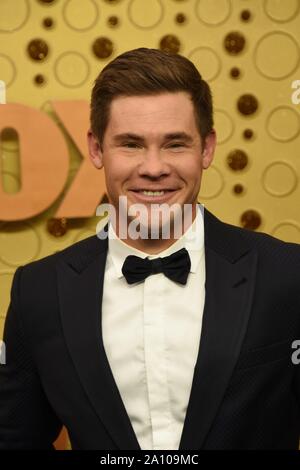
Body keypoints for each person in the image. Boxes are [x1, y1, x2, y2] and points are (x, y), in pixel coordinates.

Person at [0, 47, 299, 450]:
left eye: (175, 144)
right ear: (95, 148)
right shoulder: (38, 292)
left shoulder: (288, 275)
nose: (154, 167)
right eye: (131, 144)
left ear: (207, 149)